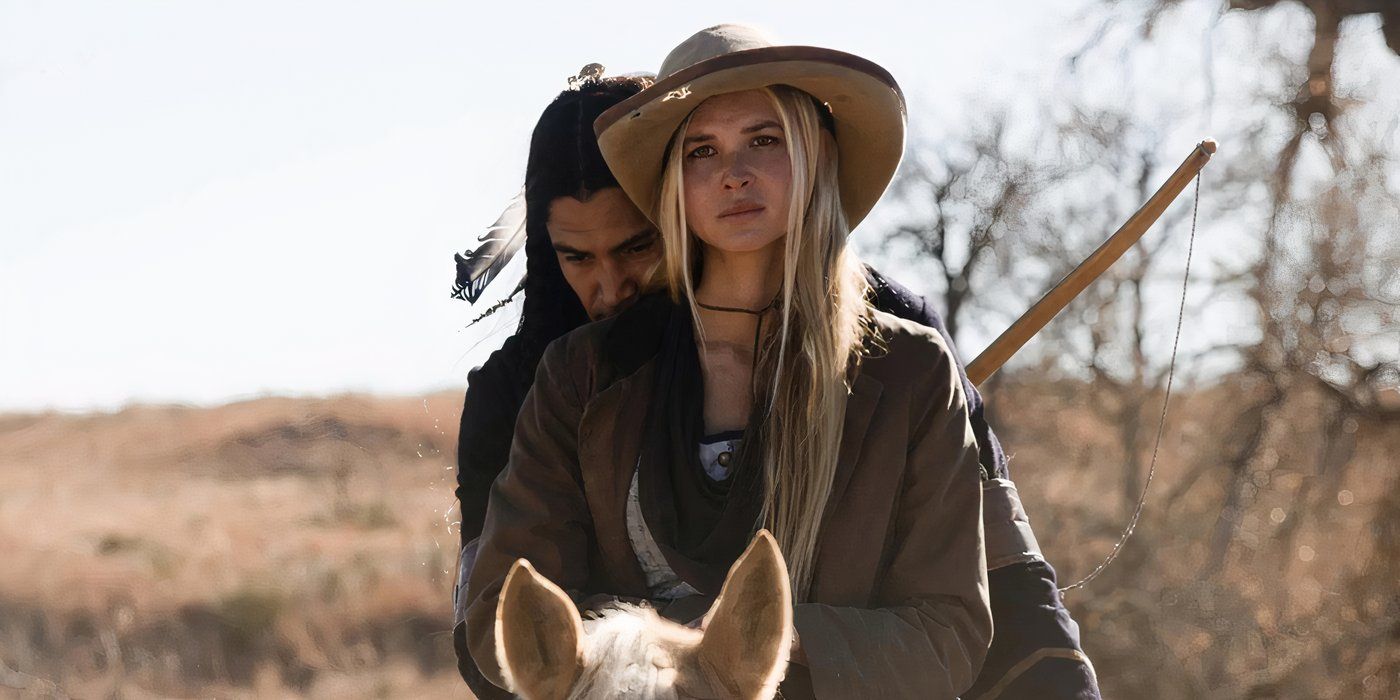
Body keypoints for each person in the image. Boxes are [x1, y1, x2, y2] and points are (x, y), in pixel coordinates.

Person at [453, 42, 1099, 699]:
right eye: (701, 150)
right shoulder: (580, 376)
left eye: (762, 140)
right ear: (670, 179)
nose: (733, 173)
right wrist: (652, 664)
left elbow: (953, 630)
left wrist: (768, 642)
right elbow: (505, 606)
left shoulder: (911, 369)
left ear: (814, 152)